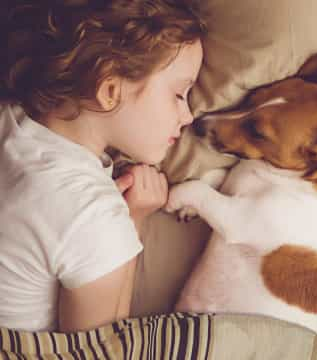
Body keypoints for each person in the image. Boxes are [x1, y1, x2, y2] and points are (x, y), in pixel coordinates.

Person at [0, 0, 205, 332]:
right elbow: (100, 347)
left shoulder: (10, 115)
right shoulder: (94, 217)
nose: (188, 116)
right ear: (109, 91)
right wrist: (132, 220)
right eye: (179, 95)